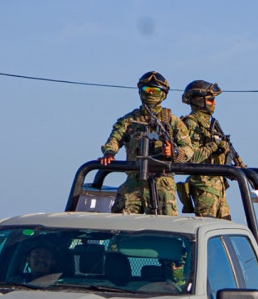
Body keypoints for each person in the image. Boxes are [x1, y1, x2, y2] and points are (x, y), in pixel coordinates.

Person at [99, 71, 192, 215]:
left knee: (165, 226)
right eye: (146, 89)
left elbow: (188, 149)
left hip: (162, 181)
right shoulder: (129, 120)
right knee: (120, 223)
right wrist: (109, 153)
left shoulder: (172, 121)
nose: (150, 93)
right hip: (134, 181)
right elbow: (115, 138)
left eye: (154, 90)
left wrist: (173, 152)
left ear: (163, 94)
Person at [177, 80, 240, 219]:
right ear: (199, 100)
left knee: (225, 228)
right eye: (210, 100)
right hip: (204, 188)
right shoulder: (191, 124)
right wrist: (214, 144)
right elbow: (192, 159)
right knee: (207, 226)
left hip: (219, 187)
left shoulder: (211, 124)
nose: (214, 103)